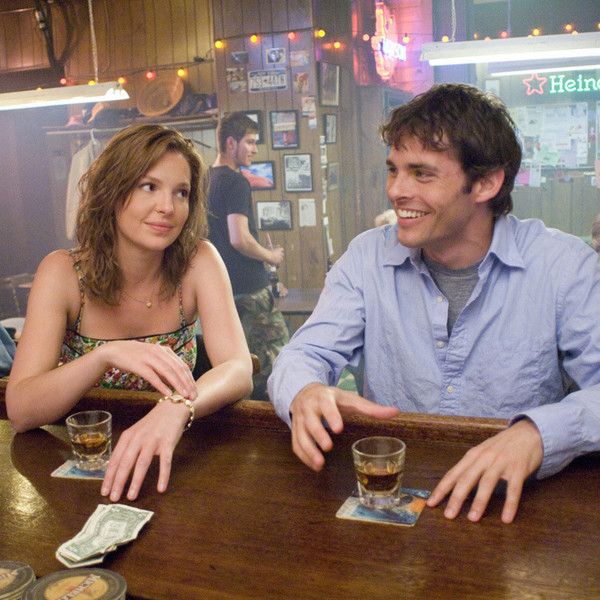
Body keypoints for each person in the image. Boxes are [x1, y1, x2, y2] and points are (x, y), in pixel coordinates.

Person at [268, 83, 600, 524]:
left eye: (422, 174)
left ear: (485, 182)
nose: (396, 191)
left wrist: (537, 434)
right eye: (393, 170)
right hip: (395, 502)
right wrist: (305, 391)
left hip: (515, 511)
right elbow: (304, 354)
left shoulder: (564, 266)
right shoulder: (367, 257)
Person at [6, 124, 253, 502]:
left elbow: (238, 369)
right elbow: (21, 410)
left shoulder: (199, 260)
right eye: (149, 186)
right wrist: (104, 356)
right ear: (113, 190)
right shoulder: (63, 272)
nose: (167, 208)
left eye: (181, 193)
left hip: (171, 459)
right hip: (83, 465)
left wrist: (178, 407)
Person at [208, 112, 289, 400]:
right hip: (251, 292)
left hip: (223, 290)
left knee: (241, 364)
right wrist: (270, 256)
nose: (255, 149)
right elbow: (239, 237)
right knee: (278, 363)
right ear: (231, 143)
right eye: (250, 142)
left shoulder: (207, 178)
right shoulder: (236, 181)